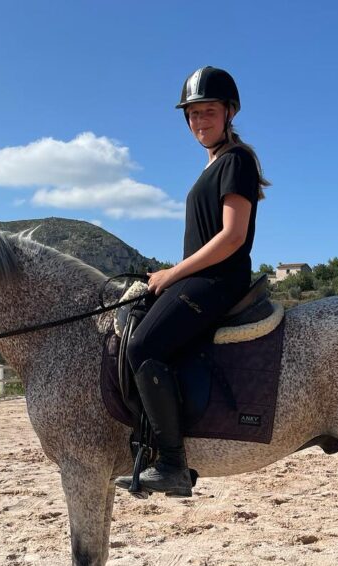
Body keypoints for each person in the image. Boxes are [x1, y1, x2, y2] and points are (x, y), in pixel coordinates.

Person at [116, 66, 270, 497]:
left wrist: (173, 273)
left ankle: (172, 463)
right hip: (201, 276)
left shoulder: (237, 161)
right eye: (193, 114)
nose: (200, 121)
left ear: (228, 112)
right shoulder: (213, 165)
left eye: (208, 112)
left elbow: (233, 236)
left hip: (219, 279)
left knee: (143, 345)